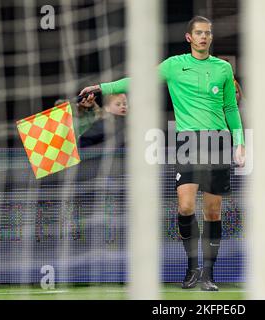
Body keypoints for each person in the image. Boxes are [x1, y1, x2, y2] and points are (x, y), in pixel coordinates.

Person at [79, 16, 245, 291]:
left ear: (211, 37)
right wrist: (102, 88)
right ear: (189, 37)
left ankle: (208, 275)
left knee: (213, 213)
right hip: (188, 142)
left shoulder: (223, 69)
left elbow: (231, 109)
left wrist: (239, 142)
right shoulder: (173, 66)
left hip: (217, 142)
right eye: (199, 33)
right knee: (186, 206)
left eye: (208, 33)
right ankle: (192, 267)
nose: (204, 37)